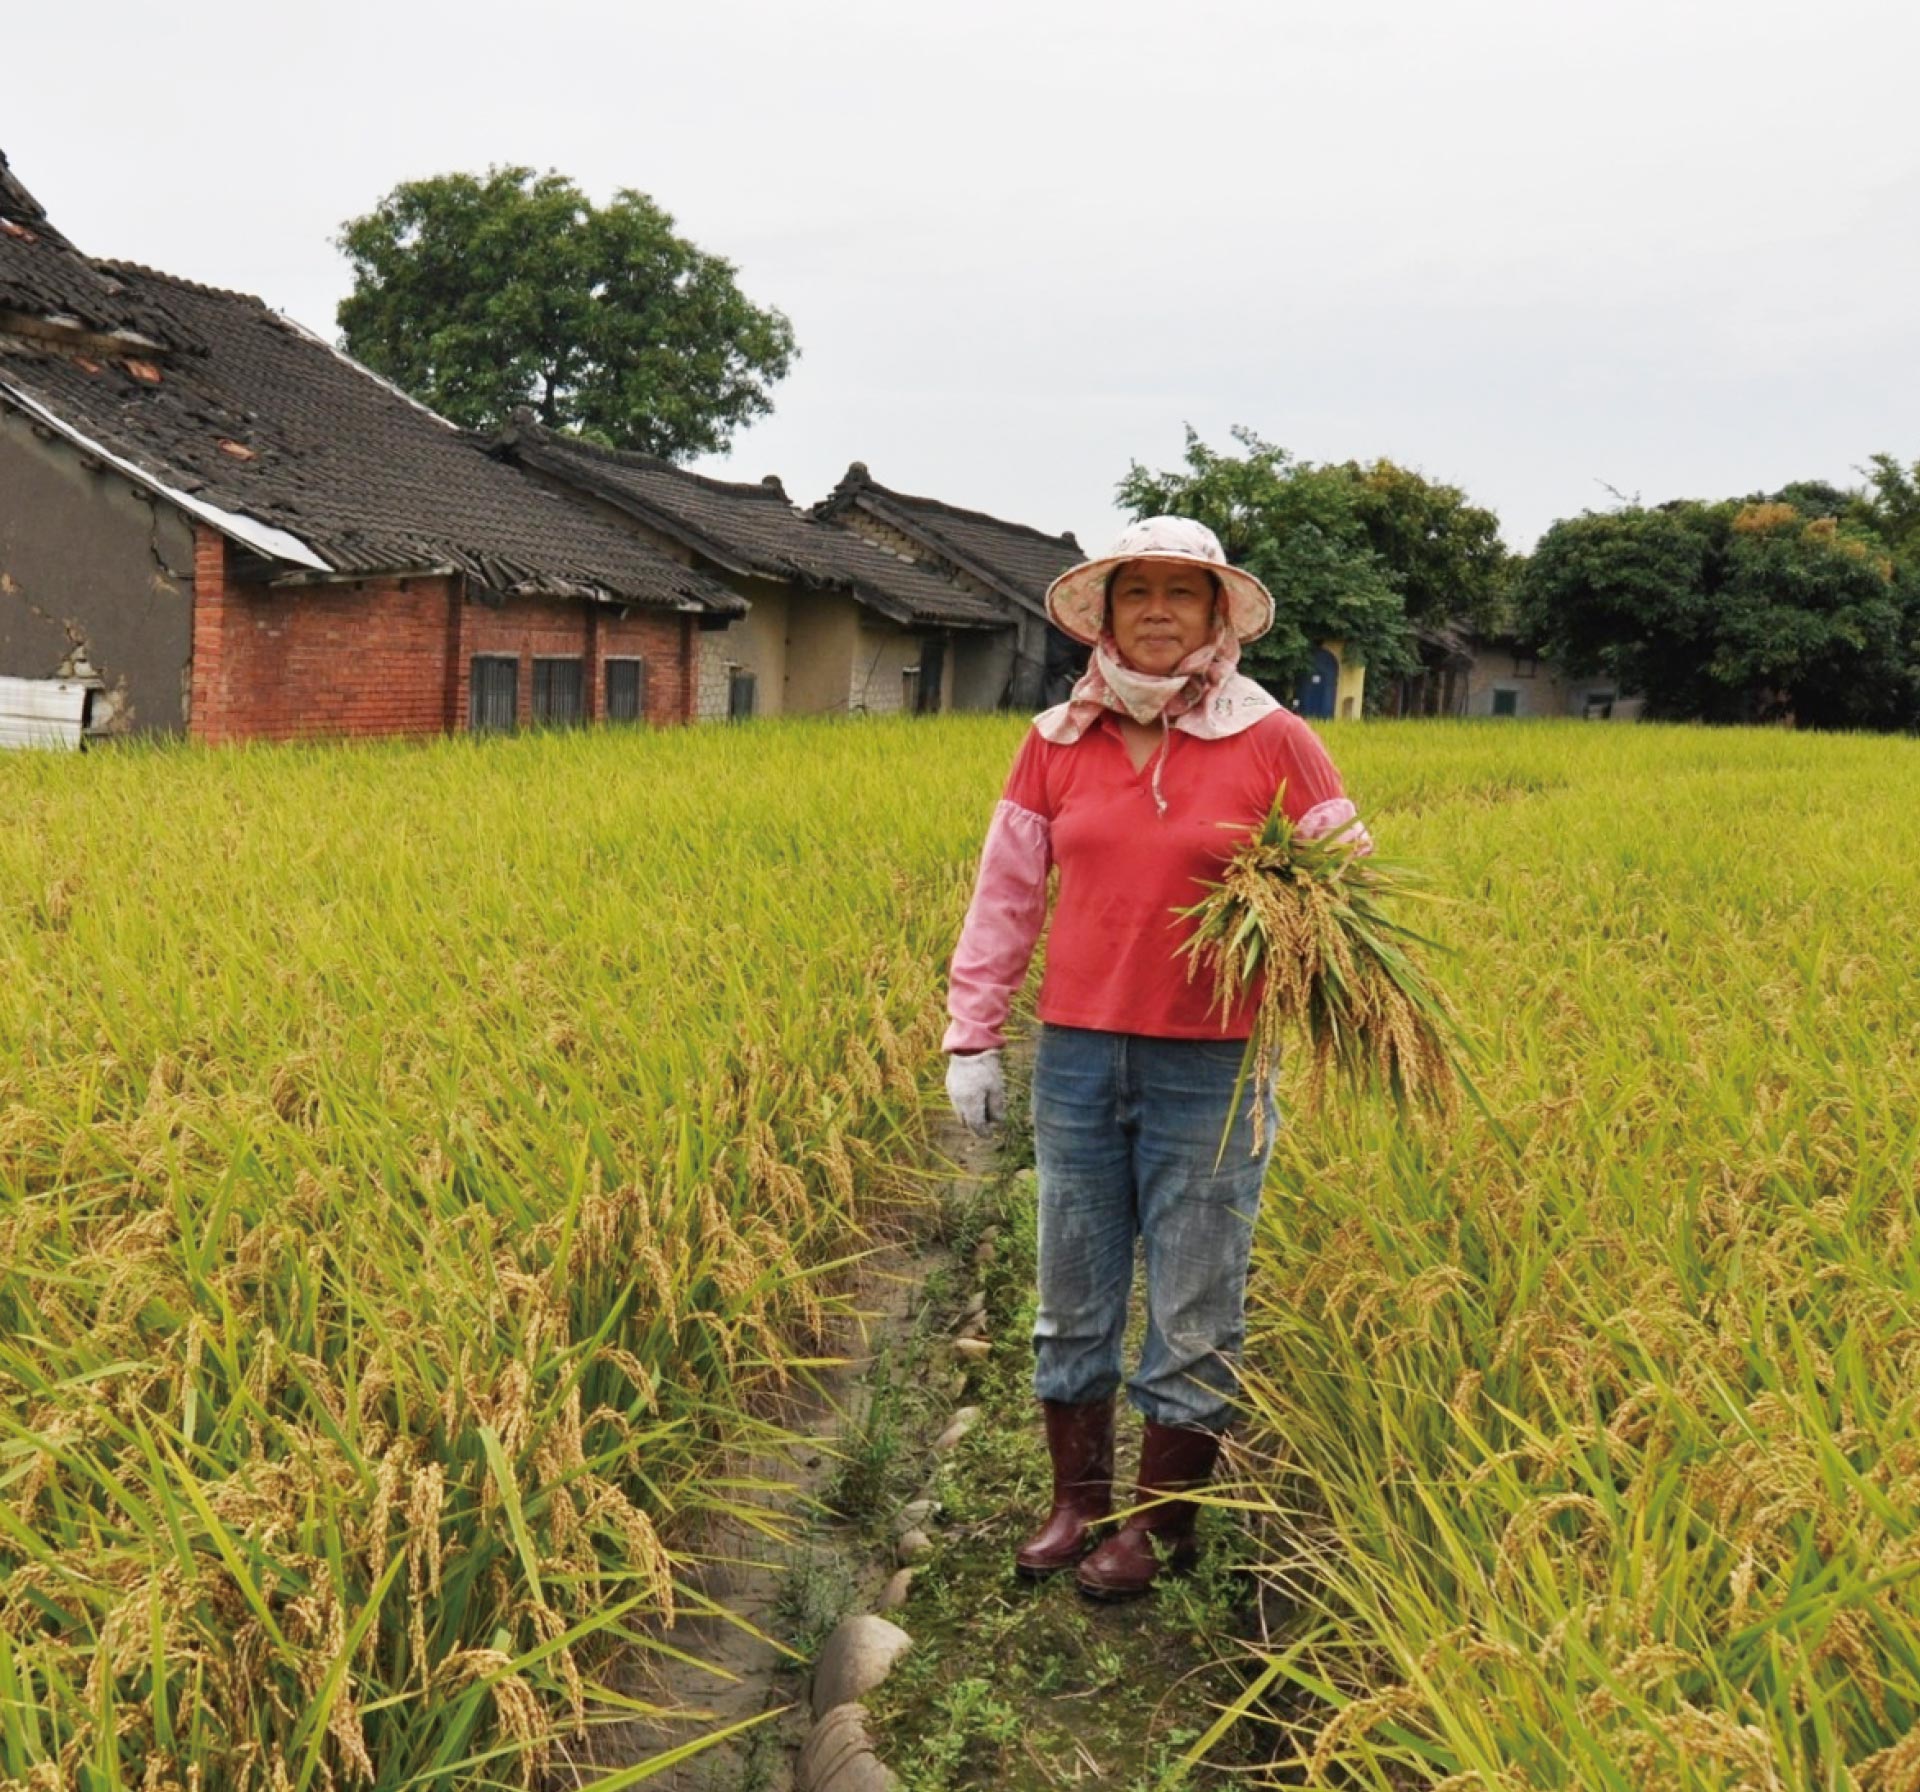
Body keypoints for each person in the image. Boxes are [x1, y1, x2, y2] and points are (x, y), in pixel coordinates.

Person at [941, 515, 1370, 1599]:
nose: (1162, 613)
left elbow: (1344, 895)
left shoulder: (1274, 737)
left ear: (1219, 615)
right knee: (1070, 1294)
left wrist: (1309, 959)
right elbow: (1007, 895)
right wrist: (974, 1034)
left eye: (1187, 594)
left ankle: (1162, 1527)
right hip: (1081, 1056)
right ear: (1109, 612)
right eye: (1142, 594)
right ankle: (1076, 1503)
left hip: (1214, 1070)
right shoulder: (1054, 739)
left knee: (1194, 1303)